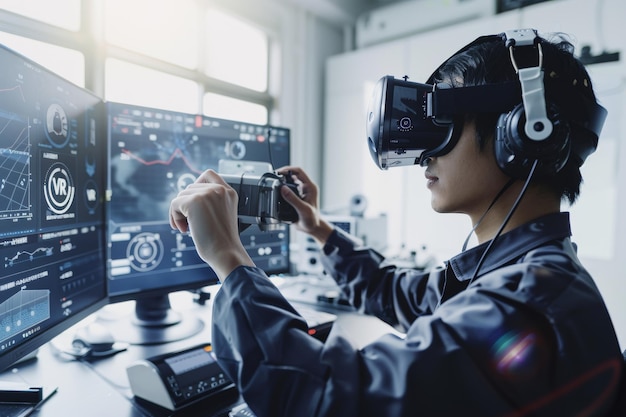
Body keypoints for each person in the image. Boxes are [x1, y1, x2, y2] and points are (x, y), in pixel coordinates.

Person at [169, 29, 624, 416]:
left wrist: (228, 258)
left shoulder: (525, 307)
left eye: (444, 123)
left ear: (524, 131)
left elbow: (316, 397)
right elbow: (396, 294)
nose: (425, 153)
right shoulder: (524, 271)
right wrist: (317, 227)